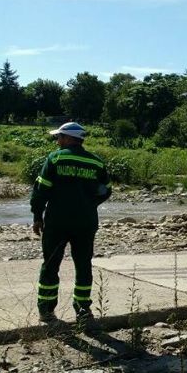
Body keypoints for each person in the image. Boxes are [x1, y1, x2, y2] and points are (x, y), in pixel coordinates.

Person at [30, 122, 112, 328]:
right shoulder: (96, 162)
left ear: (68, 138)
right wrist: (89, 204)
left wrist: (37, 216)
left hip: (57, 221)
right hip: (86, 222)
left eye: (59, 137)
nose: (57, 141)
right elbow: (106, 190)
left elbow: (41, 189)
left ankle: (47, 312)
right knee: (83, 265)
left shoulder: (56, 158)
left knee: (50, 265)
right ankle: (83, 311)